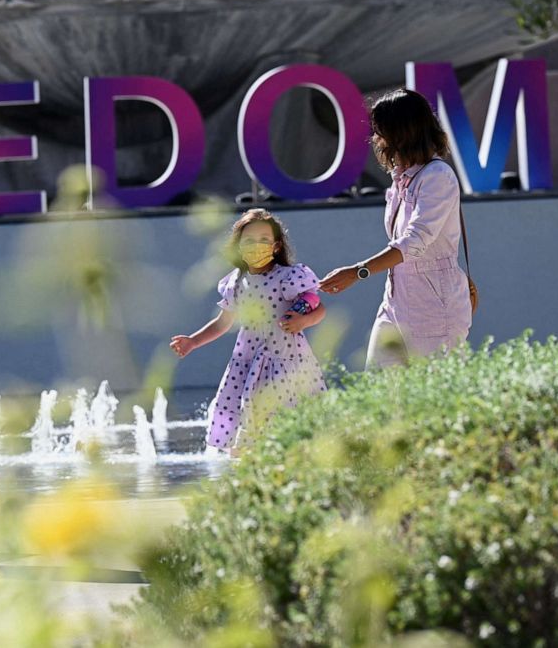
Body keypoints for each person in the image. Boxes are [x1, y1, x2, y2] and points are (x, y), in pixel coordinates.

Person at [319, 89, 472, 368]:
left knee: (434, 400)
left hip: (434, 304)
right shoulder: (401, 179)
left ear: (401, 132)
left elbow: (414, 240)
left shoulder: (437, 176)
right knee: (377, 393)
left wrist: (357, 272)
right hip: (397, 299)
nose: (376, 139)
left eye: (380, 130)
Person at [170, 209, 327, 456]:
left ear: (276, 247)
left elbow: (319, 308)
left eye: (264, 240)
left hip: (286, 360)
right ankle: (247, 467)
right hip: (248, 362)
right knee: (246, 420)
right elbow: (223, 323)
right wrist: (193, 341)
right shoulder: (235, 282)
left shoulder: (288, 277)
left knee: (287, 418)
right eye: (249, 240)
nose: (257, 246)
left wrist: (303, 321)